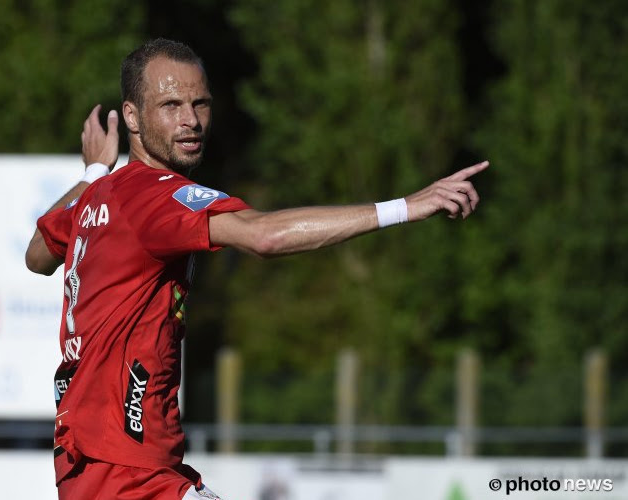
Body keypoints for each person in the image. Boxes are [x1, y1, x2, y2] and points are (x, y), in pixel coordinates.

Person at [26, 38, 488, 500]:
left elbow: (37, 255)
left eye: (200, 103)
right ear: (131, 117)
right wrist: (407, 206)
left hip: (97, 463)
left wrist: (92, 173)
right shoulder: (155, 195)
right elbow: (263, 235)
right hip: (127, 472)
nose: (190, 120)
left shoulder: (102, 195)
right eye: (170, 105)